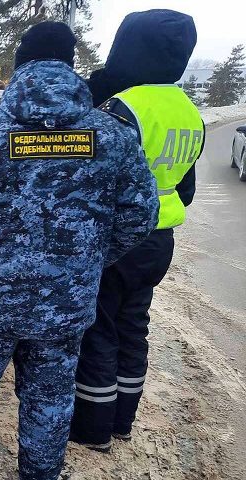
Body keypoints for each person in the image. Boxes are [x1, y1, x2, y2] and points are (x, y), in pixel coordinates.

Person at [0, 21, 159, 480]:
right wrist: (88, 260)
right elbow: (140, 217)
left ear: (20, 65)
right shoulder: (113, 136)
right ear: (72, 65)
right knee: (49, 402)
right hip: (64, 304)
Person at [70, 9, 203, 452]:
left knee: (99, 328)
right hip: (160, 240)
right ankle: (123, 420)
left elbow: (89, 176)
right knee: (133, 325)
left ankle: (92, 428)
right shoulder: (188, 111)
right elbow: (186, 188)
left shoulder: (124, 107)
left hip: (118, 237)